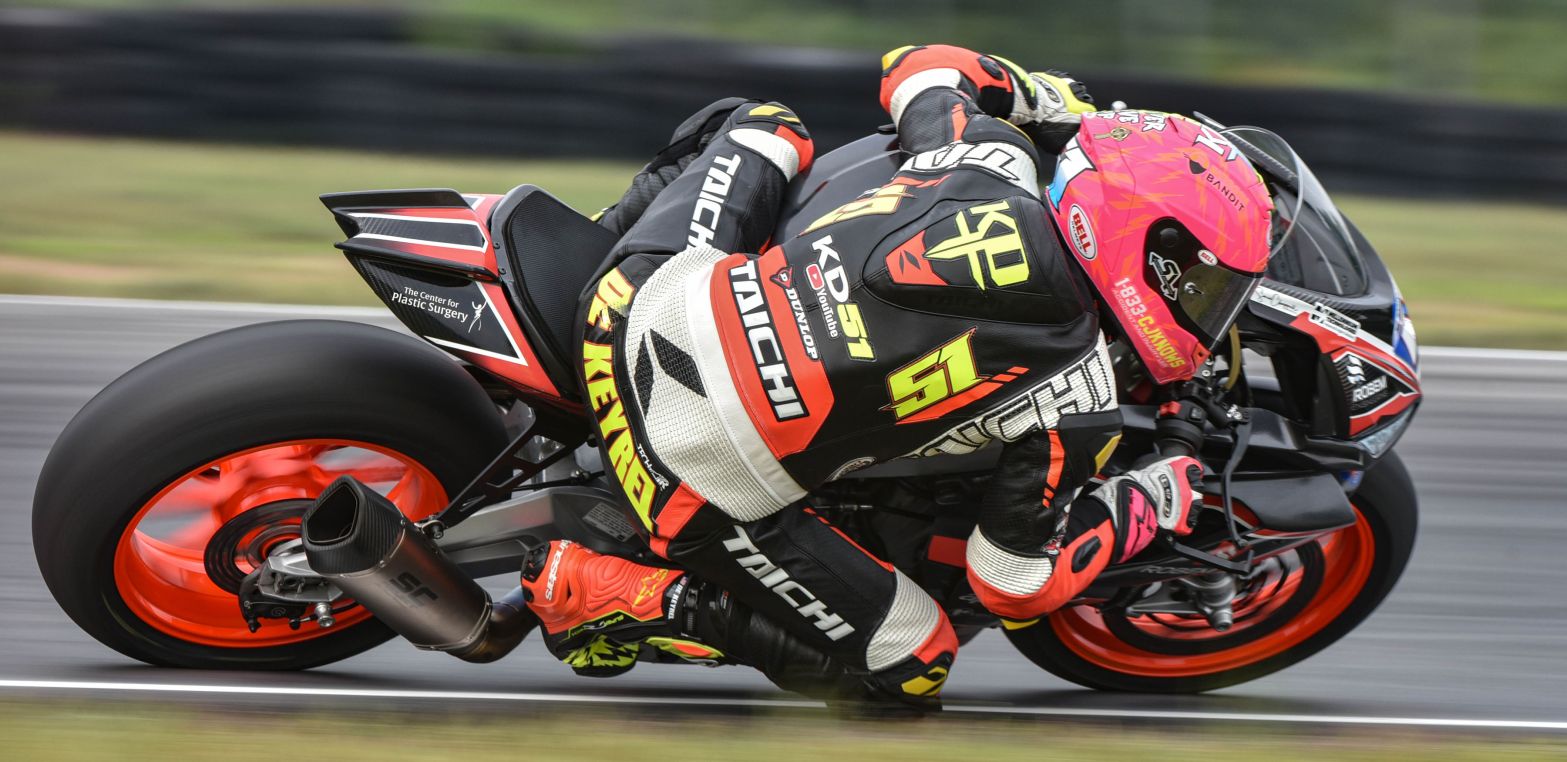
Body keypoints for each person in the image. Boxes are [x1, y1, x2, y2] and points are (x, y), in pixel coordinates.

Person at [517, 44, 1274, 712]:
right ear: (1137, 240)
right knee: (914, 664)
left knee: (763, 123)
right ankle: (621, 597)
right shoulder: (1078, 395)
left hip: (631, 301)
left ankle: (561, 283)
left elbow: (920, 66)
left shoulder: (989, 154)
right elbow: (1011, 584)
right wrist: (1152, 498)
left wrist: (1048, 102)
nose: (1207, 308)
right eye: (1201, 284)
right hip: (683, 468)